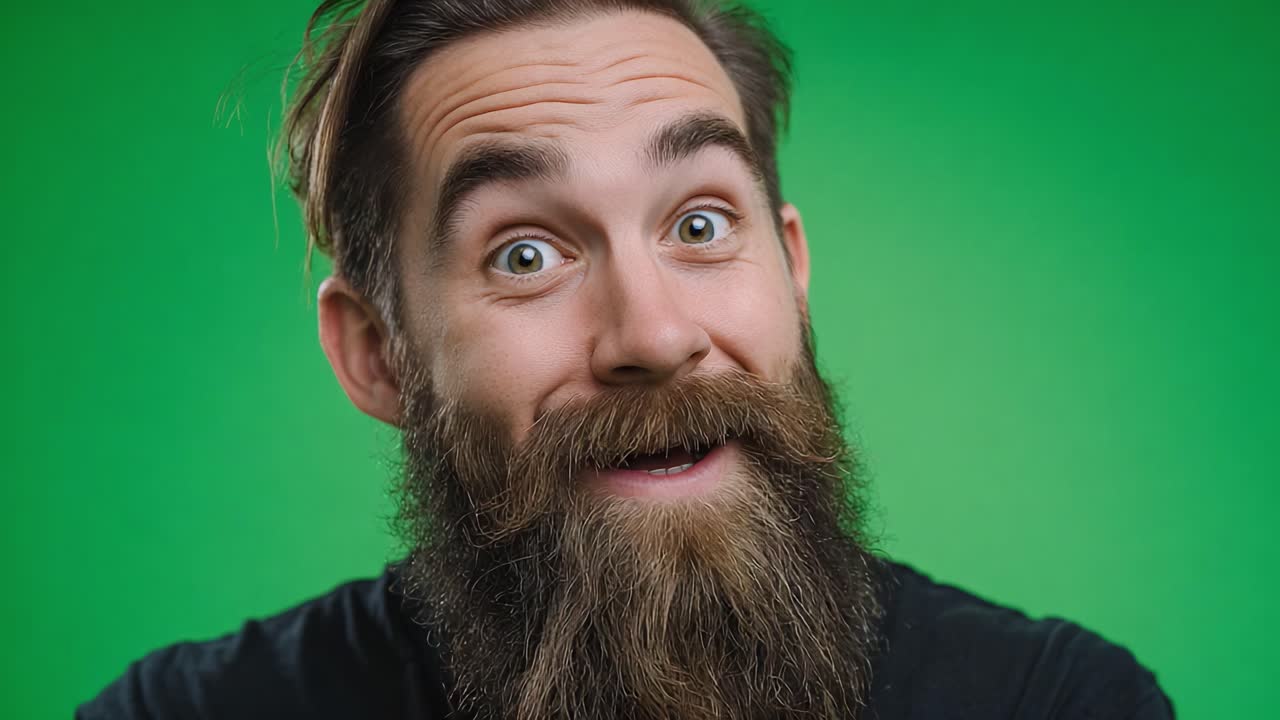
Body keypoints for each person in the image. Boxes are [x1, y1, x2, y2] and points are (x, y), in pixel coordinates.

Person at [78, 1, 1174, 718]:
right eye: (524, 252)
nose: (652, 336)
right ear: (378, 357)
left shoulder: (1057, 705)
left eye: (698, 225)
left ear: (788, 272)